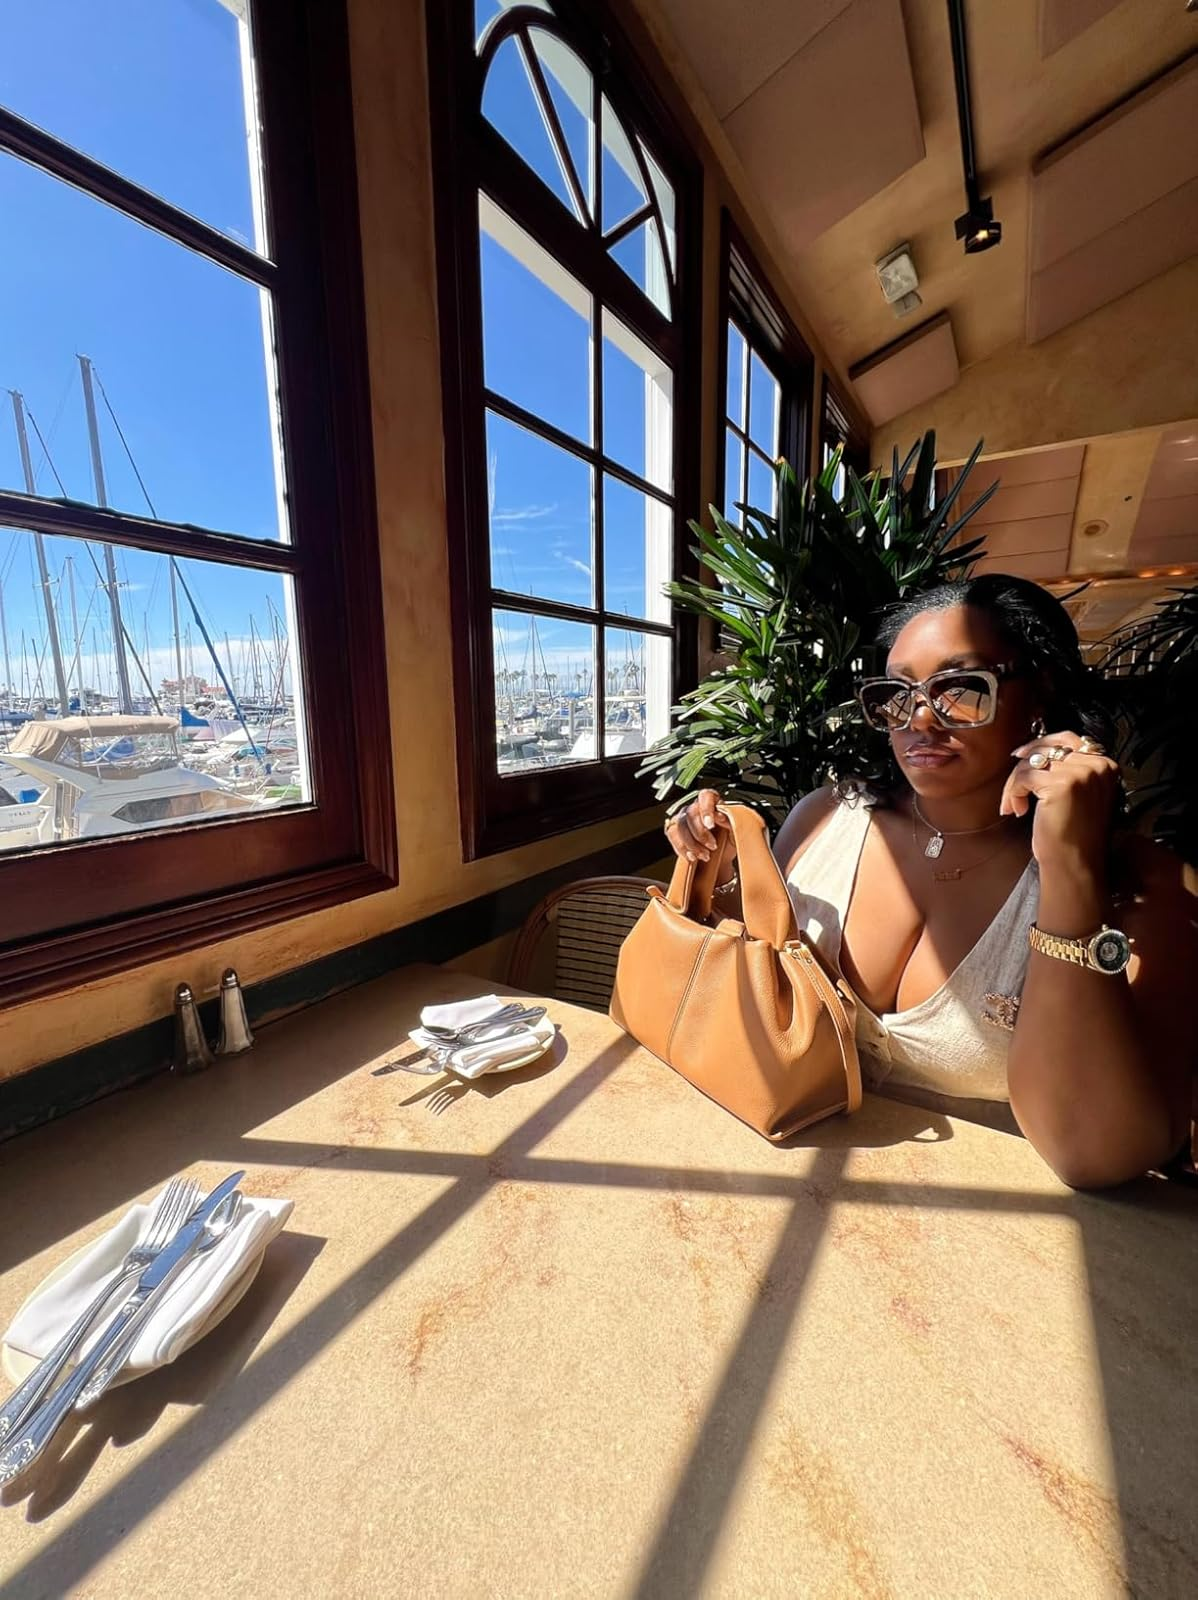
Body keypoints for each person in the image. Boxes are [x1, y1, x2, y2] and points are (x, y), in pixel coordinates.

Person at [664, 574, 1197, 1189]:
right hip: (784, 1178)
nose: (919, 720)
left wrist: (1070, 871)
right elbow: (761, 995)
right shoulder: (824, 819)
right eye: (898, 693)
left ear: (1040, 696)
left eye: (960, 688)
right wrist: (720, 871)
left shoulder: (1147, 885)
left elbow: (1097, 1155)